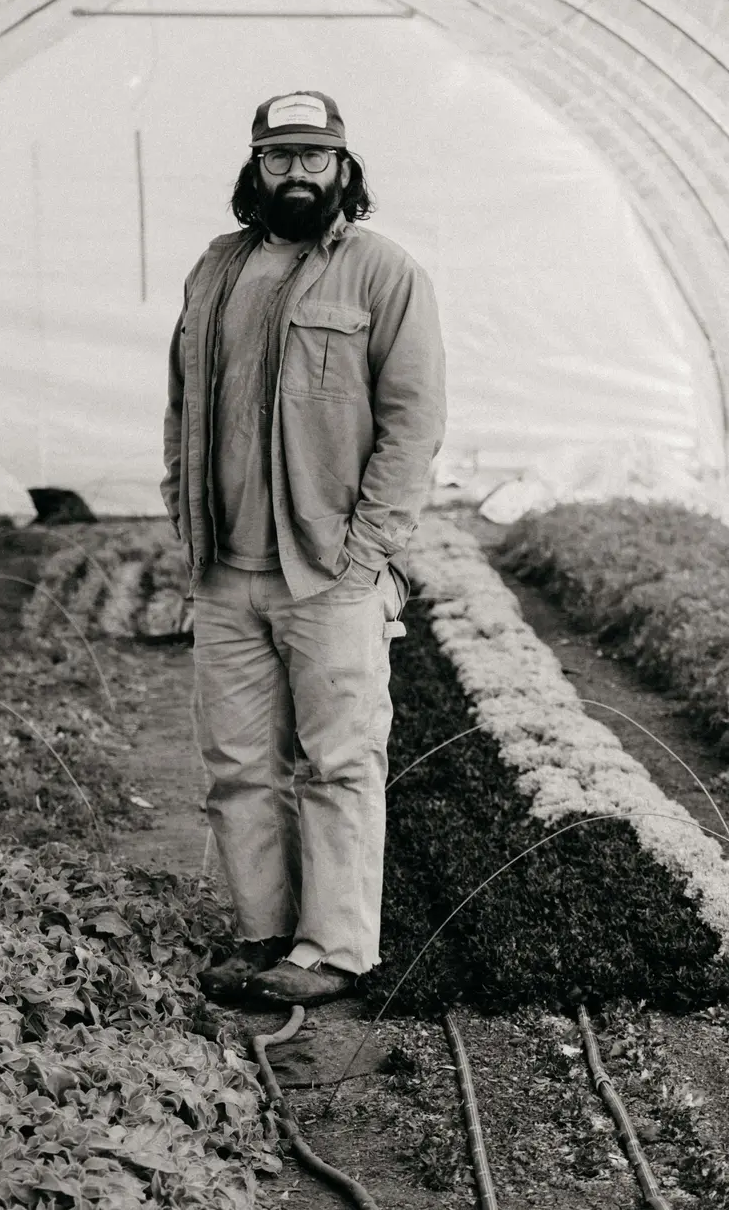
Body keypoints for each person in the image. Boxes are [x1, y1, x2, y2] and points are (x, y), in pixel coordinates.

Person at [161, 90, 446, 1006]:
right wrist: (184, 516)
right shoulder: (216, 267)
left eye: (312, 157)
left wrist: (366, 555)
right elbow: (181, 404)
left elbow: (411, 425)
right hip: (225, 572)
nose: (295, 172)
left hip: (326, 571)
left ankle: (333, 951)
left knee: (337, 764)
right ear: (255, 167)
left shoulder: (381, 272)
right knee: (237, 767)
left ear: (341, 167)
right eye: (278, 156)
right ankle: (262, 934)